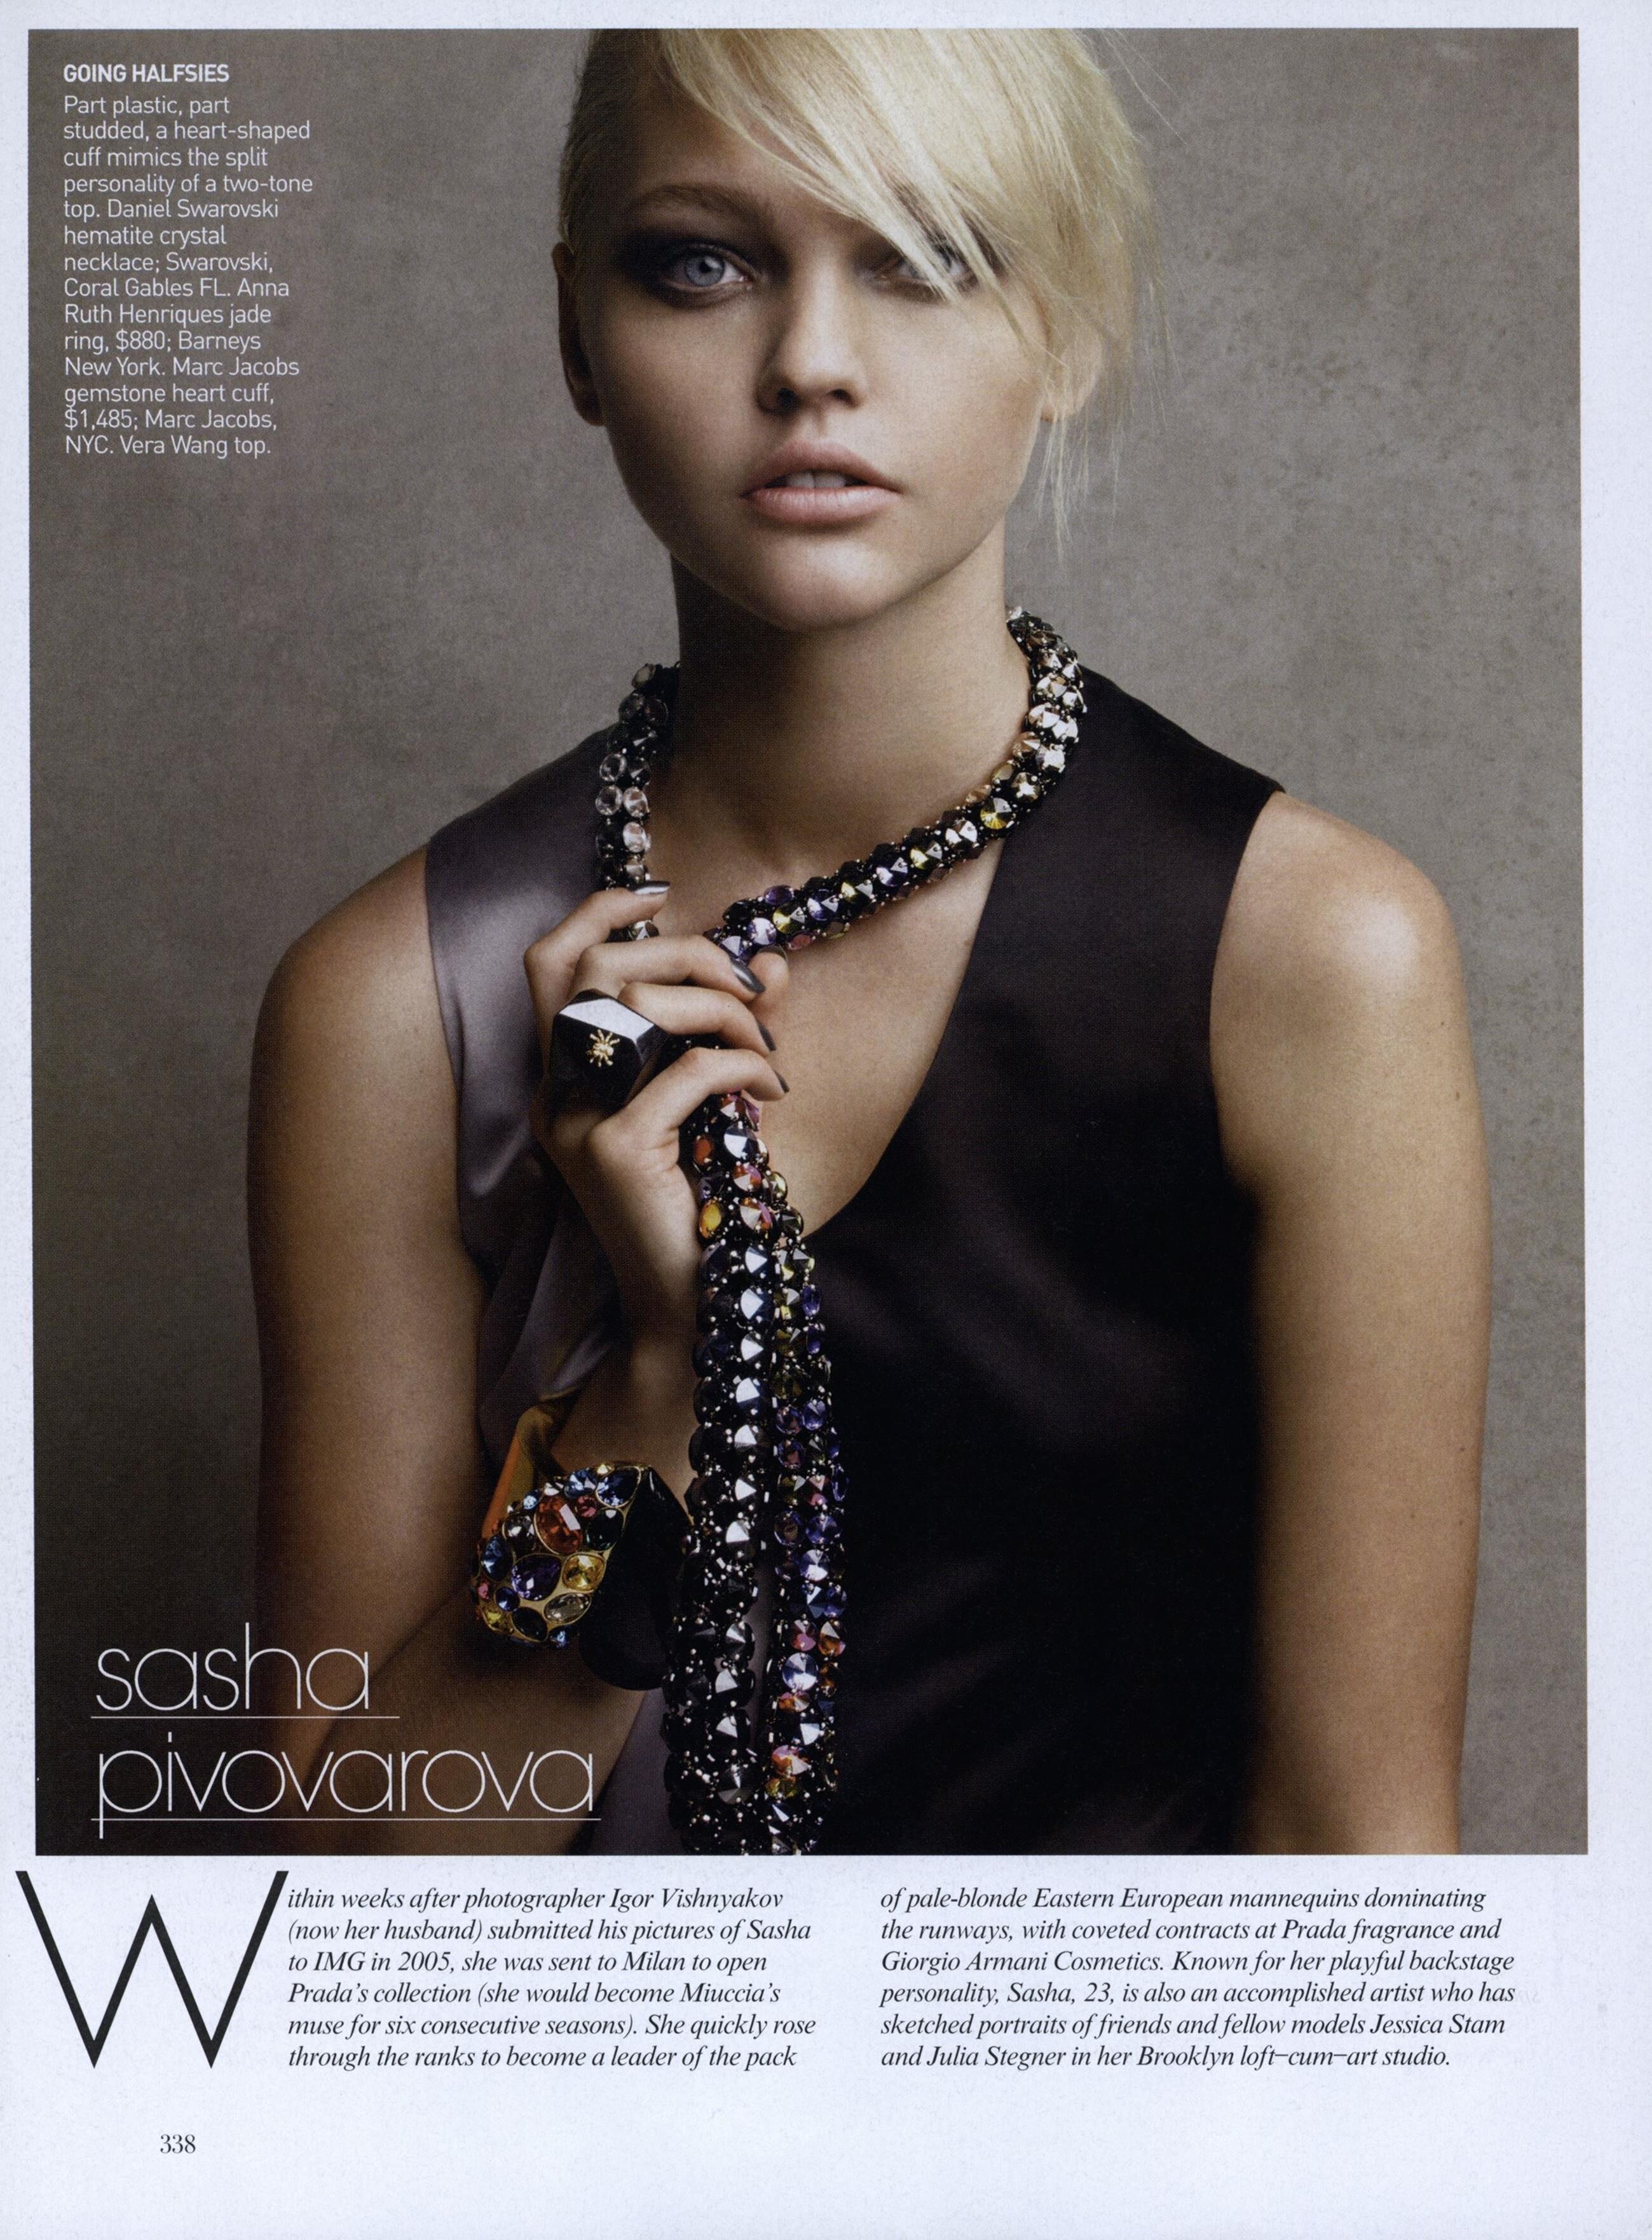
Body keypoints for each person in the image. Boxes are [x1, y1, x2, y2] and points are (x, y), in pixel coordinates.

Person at [250, 29, 1488, 1854]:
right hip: (585, 2056)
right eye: (701, 263)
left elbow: (1362, 1865)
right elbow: (337, 1906)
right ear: (578, 331)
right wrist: (668, 1383)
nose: (812, 363)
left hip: (1115, 2053)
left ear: (1067, 325)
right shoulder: (392, 1005)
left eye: (925, 259)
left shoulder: (1312, 958)